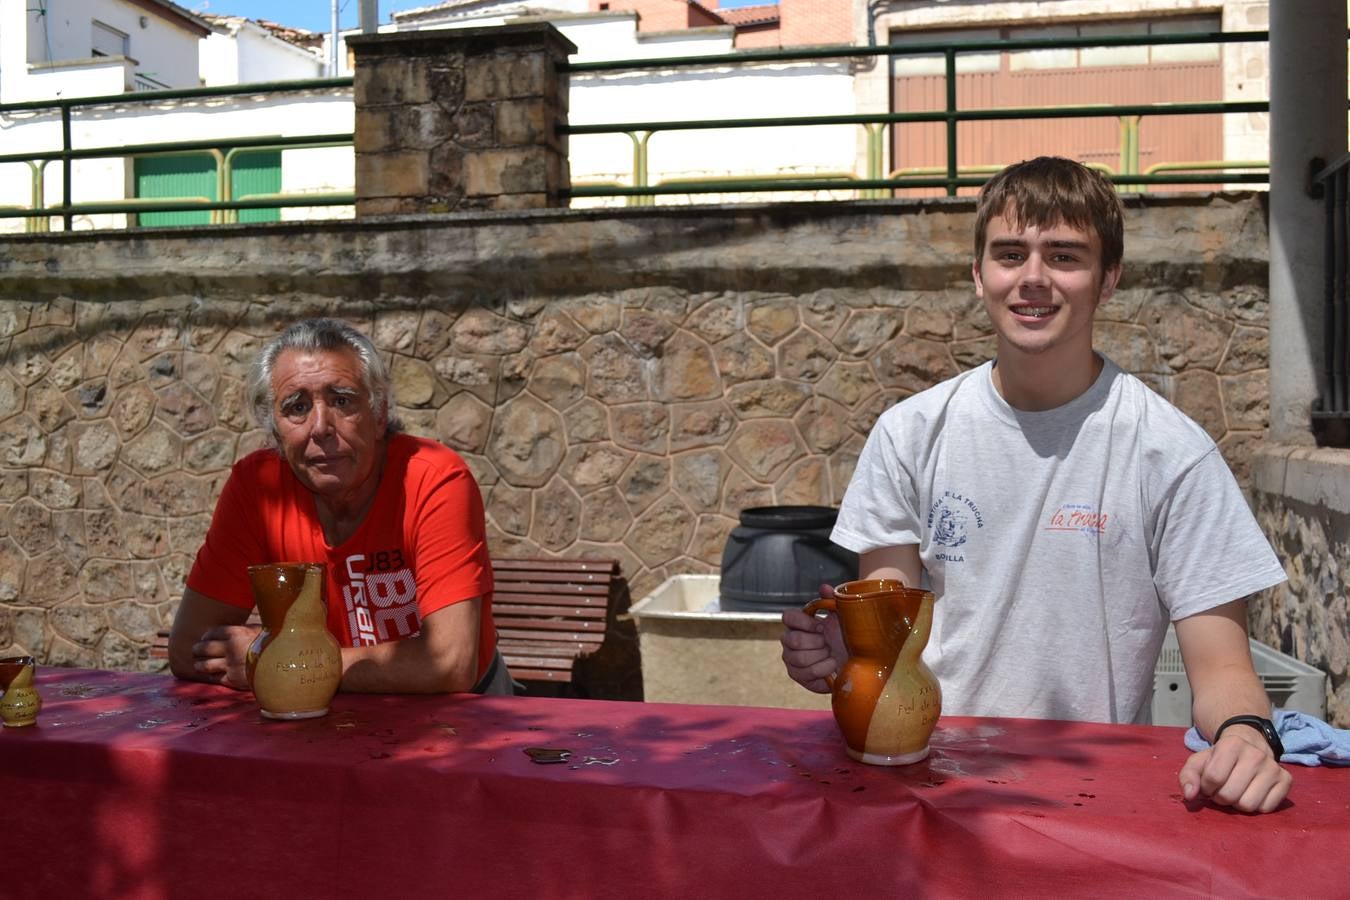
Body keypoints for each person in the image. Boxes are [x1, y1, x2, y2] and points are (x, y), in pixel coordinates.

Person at [780, 157, 1293, 814]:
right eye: (1010, 253)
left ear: (1109, 279)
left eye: (1064, 256)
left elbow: (1224, 673)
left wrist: (1248, 738)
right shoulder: (909, 434)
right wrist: (839, 653)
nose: (1032, 279)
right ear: (977, 274)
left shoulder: (1171, 452)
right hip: (930, 791)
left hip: (1093, 800)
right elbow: (890, 644)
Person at [169, 317, 513, 695]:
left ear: (379, 414)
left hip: (461, 714)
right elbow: (188, 648)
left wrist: (279, 661)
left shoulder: (433, 478)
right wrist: (300, 668)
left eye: (342, 401)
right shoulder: (258, 488)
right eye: (297, 407)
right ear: (274, 431)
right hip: (324, 713)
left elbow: (449, 665)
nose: (320, 426)